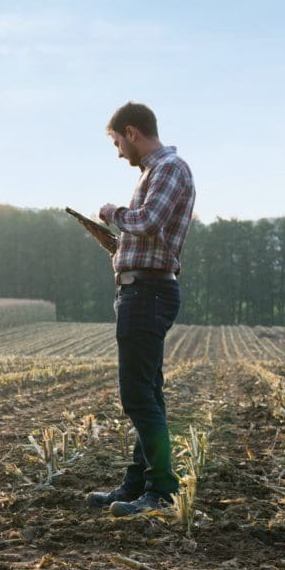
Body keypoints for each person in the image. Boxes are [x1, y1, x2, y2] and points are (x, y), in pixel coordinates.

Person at [87, 101, 196, 517]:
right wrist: (118, 250)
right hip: (143, 290)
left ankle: (162, 491)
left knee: (137, 397)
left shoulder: (169, 169)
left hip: (147, 295)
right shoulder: (157, 172)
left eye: (117, 142)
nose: (118, 152)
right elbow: (150, 239)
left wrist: (112, 213)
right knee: (147, 394)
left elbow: (147, 221)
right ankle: (138, 484)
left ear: (132, 133)